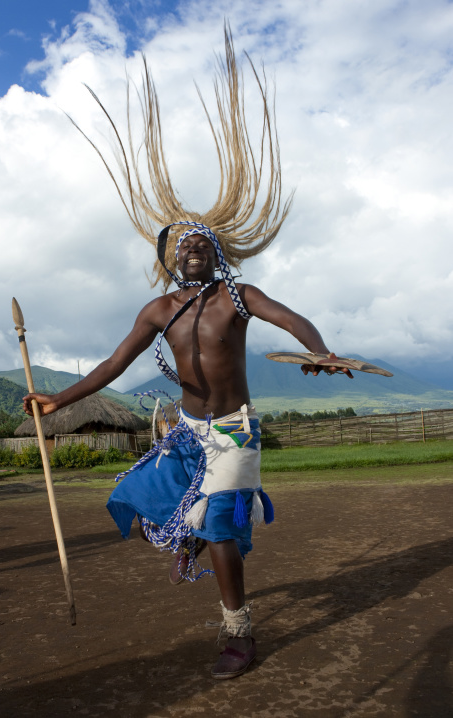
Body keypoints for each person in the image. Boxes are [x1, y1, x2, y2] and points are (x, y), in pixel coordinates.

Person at [23, 27, 352, 679]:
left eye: (201, 244)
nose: (191, 250)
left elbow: (297, 321)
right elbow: (116, 364)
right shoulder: (160, 310)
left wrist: (320, 349)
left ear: (218, 253)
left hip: (235, 433)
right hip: (189, 433)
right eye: (182, 247)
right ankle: (193, 533)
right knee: (152, 502)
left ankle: (238, 633)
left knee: (225, 527)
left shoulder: (240, 297)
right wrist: (60, 398)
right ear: (171, 260)